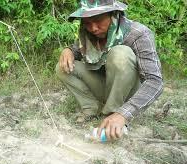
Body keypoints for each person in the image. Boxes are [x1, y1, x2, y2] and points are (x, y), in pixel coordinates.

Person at [56, 0, 163, 141]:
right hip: (106, 87)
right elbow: (77, 49)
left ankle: (114, 115)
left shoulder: (138, 33)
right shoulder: (88, 34)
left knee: (120, 54)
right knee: (62, 67)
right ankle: (92, 109)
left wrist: (123, 114)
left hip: (128, 93)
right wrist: (68, 50)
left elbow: (155, 81)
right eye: (87, 23)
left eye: (98, 20)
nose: (93, 28)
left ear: (113, 15)